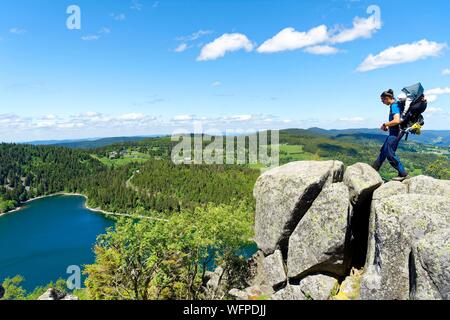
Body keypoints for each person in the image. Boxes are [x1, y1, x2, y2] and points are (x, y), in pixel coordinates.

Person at [372, 89, 409, 180]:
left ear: (387, 98)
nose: (382, 102)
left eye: (382, 100)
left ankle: (403, 173)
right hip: (394, 132)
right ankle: (374, 169)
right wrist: (389, 127)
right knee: (384, 150)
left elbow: (396, 120)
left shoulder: (394, 105)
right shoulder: (396, 105)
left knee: (390, 153)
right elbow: (397, 121)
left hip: (396, 133)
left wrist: (385, 124)